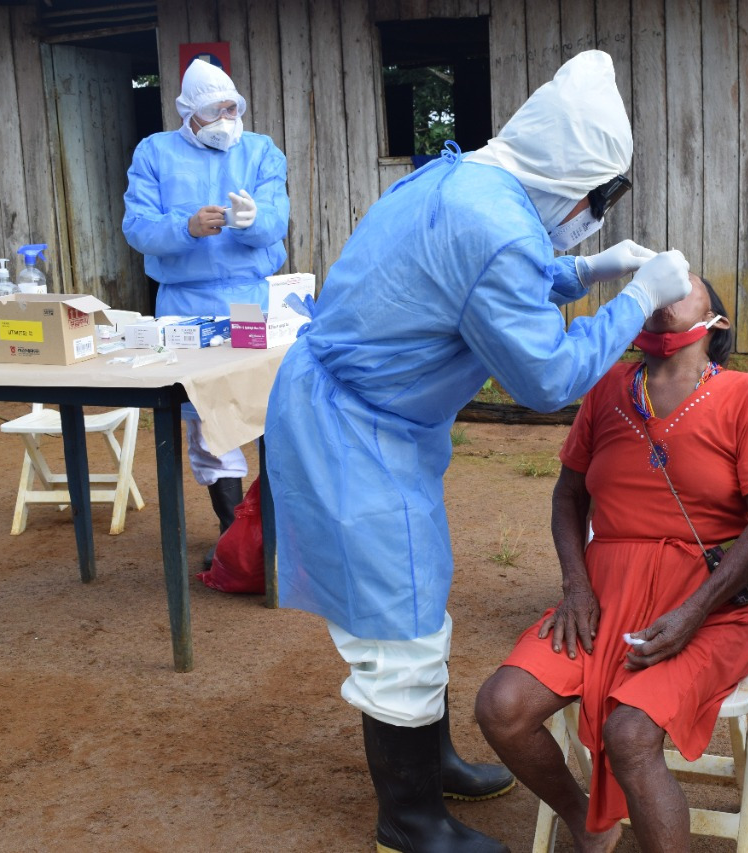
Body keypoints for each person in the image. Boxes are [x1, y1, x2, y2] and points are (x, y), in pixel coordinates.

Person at [263, 50, 692, 853]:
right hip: (354, 434)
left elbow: (483, 277)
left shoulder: (464, 180)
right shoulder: (495, 227)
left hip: (369, 418)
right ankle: (410, 819)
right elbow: (546, 375)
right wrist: (635, 297)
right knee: (398, 628)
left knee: (418, 599)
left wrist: (586, 270)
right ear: (566, 180)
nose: (595, 213)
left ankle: (432, 761)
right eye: (598, 199)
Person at [475, 274, 748, 852]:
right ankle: (585, 821)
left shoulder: (746, 395)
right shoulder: (607, 388)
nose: (665, 291)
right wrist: (576, 588)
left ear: (716, 322)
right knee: (501, 707)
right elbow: (568, 497)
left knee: (630, 734)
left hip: (709, 609)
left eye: (683, 285)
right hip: (601, 602)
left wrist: (693, 614)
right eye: (658, 284)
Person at [122, 58, 290, 567]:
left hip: (249, 301)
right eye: (215, 111)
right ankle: (233, 535)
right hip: (185, 306)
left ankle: (276, 530)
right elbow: (137, 227)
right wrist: (186, 228)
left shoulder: (260, 150)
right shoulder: (154, 152)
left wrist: (256, 220)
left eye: (232, 109)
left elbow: (278, 218)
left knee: (267, 408)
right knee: (206, 421)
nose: (226, 120)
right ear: (188, 111)